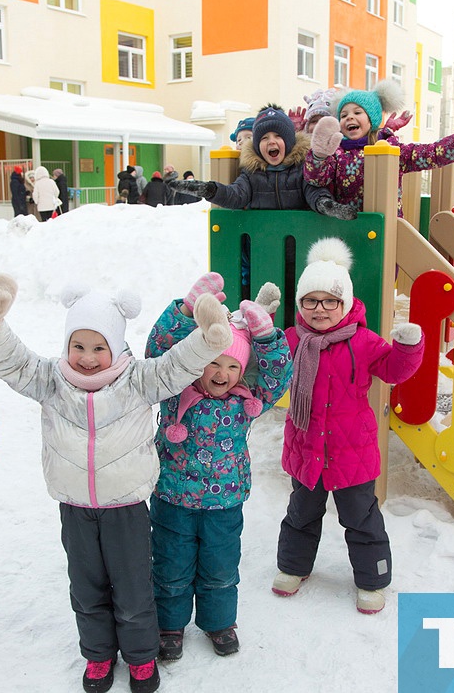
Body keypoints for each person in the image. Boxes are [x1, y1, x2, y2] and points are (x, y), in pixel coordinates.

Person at [0, 274, 235, 693]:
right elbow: (15, 363)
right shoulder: (51, 379)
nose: (88, 358)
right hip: (75, 507)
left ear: (115, 346)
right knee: (86, 587)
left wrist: (209, 339)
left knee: (132, 588)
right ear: (67, 346)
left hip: (125, 508)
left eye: (98, 348)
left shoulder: (138, 380)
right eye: (79, 346)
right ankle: (97, 656)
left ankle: (142, 658)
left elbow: (177, 365)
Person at [271, 238, 424, 615]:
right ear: (299, 304)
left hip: (351, 450)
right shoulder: (293, 340)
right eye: (310, 300)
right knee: (301, 513)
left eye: (329, 301)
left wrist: (408, 348)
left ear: (345, 303)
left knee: (360, 517)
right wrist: (255, 331)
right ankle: (293, 567)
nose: (319, 309)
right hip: (307, 448)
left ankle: (373, 580)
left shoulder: (363, 341)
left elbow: (393, 370)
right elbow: (266, 365)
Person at [145, 275, 292, 661]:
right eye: (213, 362)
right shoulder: (174, 388)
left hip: (224, 503)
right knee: (170, 566)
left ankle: (220, 623)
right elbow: (157, 351)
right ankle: (170, 626)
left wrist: (265, 339)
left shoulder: (248, 400)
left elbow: (279, 375)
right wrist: (185, 311)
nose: (222, 373)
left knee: (221, 568)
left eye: (231, 365)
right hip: (173, 497)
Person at [304, 80, 454, 217]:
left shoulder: (392, 149)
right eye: (344, 115)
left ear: (372, 120)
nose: (349, 118)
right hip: (345, 228)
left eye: (357, 112)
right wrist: (319, 155)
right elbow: (316, 178)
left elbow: (430, 154)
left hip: (385, 230)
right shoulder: (337, 153)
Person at [169, 105, 357, 220]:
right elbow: (235, 195)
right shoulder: (252, 175)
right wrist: (207, 190)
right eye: (264, 138)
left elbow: (314, 192)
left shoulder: (301, 170)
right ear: (258, 145)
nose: (271, 141)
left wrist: (327, 205)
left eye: (278, 136)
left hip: (299, 246)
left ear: (289, 141)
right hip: (264, 247)